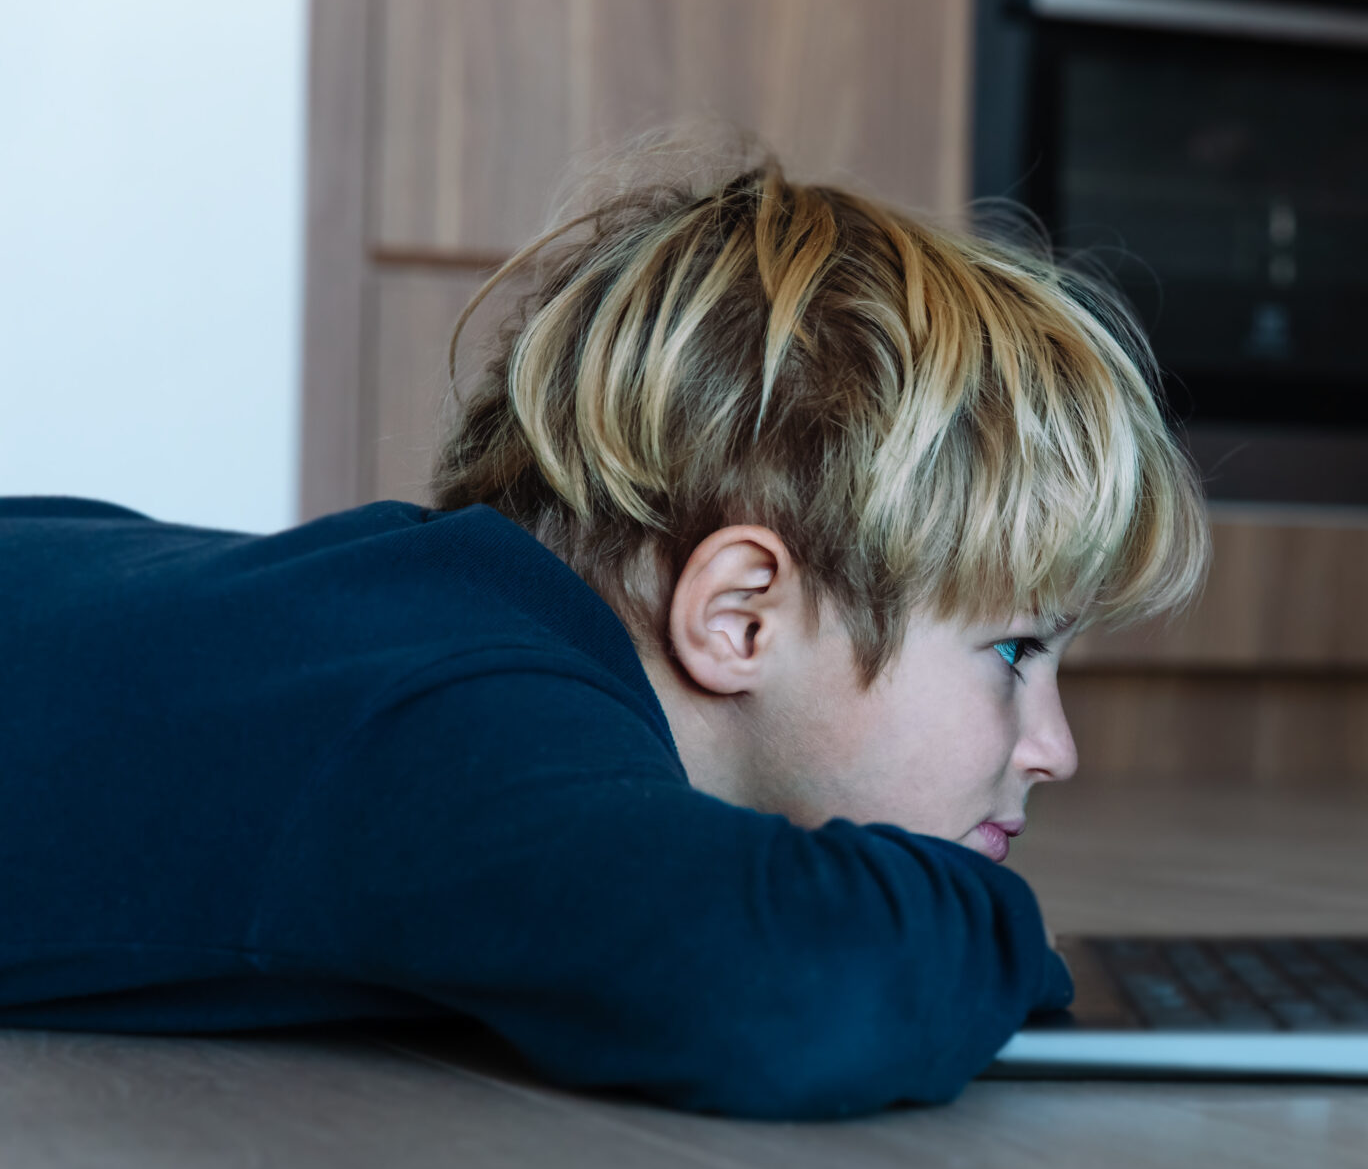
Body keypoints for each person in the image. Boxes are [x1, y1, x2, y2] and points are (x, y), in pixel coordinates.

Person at [0, 156, 1208, 1118]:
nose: (1052, 748)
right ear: (739, 617)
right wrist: (1014, 943)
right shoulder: (463, 718)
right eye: (1012, 655)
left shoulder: (439, 646)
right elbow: (786, 986)